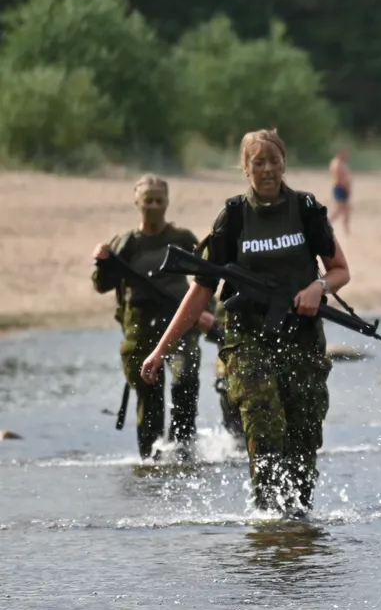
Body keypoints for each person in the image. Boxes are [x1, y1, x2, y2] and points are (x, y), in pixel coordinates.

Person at [141, 129, 349, 516]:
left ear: (285, 162)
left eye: (274, 160)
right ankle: (267, 516)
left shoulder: (306, 210)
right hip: (247, 338)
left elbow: (340, 271)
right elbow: (201, 290)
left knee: (303, 434)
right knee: (264, 428)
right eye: (258, 162)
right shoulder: (234, 216)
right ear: (244, 168)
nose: (268, 169)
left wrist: (318, 288)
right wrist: (159, 351)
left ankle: (298, 522)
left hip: (302, 339)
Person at [92, 175, 216, 460]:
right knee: (149, 396)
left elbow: (208, 278)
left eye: (159, 200)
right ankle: (150, 457)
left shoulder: (182, 239)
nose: (153, 205)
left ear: (168, 202)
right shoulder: (126, 244)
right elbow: (102, 284)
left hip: (181, 325)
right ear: (137, 202)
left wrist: (208, 314)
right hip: (139, 330)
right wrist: (101, 260)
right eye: (148, 200)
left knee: (184, 381)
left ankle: (183, 450)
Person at [329, 148, 352, 234]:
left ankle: (346, 229)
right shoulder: (336, 164)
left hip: (344, 189)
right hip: (340, 188)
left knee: (346, 209)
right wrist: (345, 186)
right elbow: (337, 179)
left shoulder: (342, 163)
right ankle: (326, 223)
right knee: (338, 209)